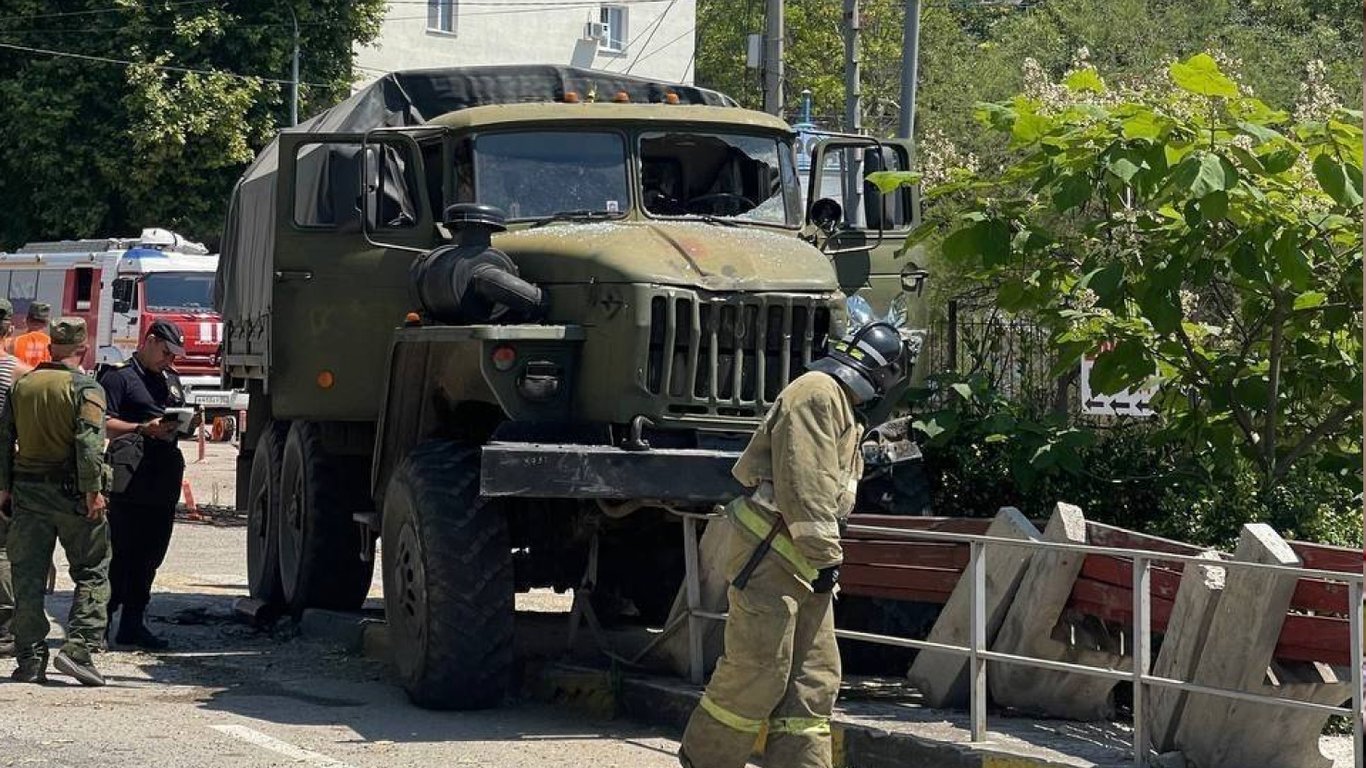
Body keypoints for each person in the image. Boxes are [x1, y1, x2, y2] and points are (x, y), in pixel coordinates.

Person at [678, 322, 910, 768]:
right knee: (757, 671)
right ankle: (705, 759)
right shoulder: (816, 394)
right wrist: (825, 557)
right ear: (882, 374)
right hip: (773, 553)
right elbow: (804, 486)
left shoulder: (837, 402)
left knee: (813, 679)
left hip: (803, 561)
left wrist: (823, 562)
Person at [0, 317, 112, 686]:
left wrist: (4, 487)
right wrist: (93, 490)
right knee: (92, 570)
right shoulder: (85, 387)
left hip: (28, 492)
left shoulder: (23, 385)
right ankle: (78, 650)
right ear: (82, 349)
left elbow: (4, 439)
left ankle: (30, 659)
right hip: (73, 494)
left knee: (27, 577)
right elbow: (88, 442)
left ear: (50, 348)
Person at [99, 319, 193, 650]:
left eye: (174, 356)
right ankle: (101, 623)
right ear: (149, 341)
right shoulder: (119, 376)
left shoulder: (171, 379)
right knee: (121, 552)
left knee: (151, 553)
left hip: (162, 475)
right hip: (129, 476)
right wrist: (141, 427)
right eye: (166, 352)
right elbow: (103, 422)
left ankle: (134, 623)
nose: (170, 360)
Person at [0, 299, 34, 658]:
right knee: (4, 551)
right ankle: (5, 626)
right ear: (10, 331)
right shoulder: (21, 373)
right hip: (4, 469)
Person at [12, 301, 53, 368]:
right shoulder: (52, 343)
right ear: (46, 323)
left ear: (26, 320)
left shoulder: (13, 342)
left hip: (21, 377)